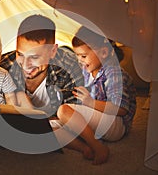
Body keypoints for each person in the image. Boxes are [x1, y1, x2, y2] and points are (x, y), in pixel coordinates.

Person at [56, 26, 137, 165]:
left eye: (83, 56)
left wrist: (90, 102)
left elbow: (121, 109)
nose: (80, 60)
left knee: (63, 111)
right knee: (50, 126)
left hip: (116, 124)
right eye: (77, 56)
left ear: (104, 52)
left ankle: (98, 146)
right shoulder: (87, 71)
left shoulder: (114, 73)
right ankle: (84, 148)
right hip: (97, 118)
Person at [0, 14, 84, 116]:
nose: (26, 65)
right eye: (20, 54)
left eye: (34, 57)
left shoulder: (70, 68)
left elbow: (73, 118)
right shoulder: (3, 66)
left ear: (52, 51)